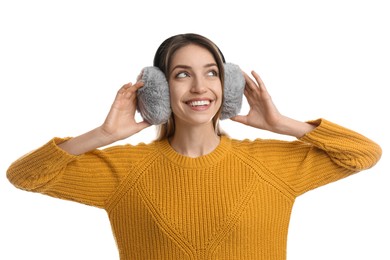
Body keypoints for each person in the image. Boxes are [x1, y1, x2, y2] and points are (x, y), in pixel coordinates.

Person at [7, 33, 382, 259]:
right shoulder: (124, 171)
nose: (200, 87)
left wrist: (282, 123)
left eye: (212, 73)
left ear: (228, 87)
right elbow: (22, 176)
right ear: (157, 90)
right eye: (182, 74)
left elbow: (364, 153)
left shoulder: (269, 164)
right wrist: (104, 135)